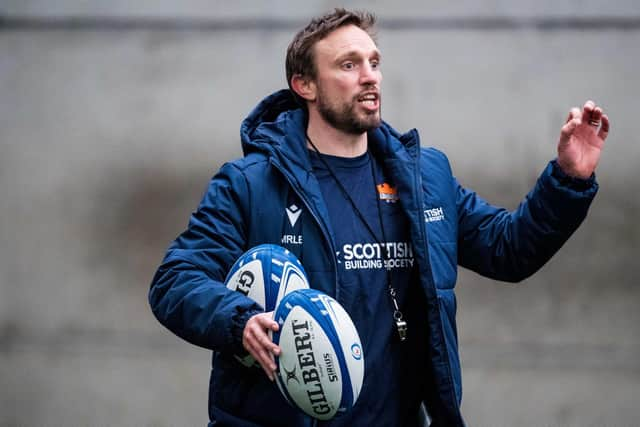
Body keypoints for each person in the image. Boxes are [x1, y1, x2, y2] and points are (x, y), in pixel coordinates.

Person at [148, 8, 609, 427]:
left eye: (374, 62)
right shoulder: (250, 184)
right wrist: (240, 320)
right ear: (304, 85)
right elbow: (175, 281)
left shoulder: (424, 177)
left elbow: (509, 250)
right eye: (348, 65)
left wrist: (567, 179)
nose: (369, 77)